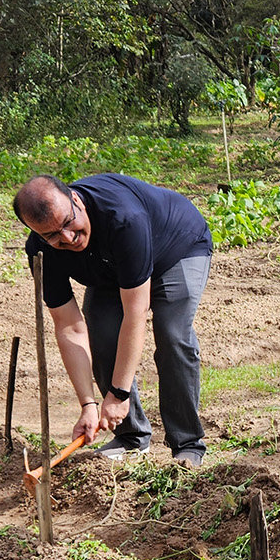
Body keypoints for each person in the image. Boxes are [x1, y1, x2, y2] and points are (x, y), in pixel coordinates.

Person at [15, 173, 213, 466]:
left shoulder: (123, 217)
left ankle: (187, 444)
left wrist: (118, 393)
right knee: (103, 329)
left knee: (172, 334)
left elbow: (136, 313)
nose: (68, 238)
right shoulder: (41, 251)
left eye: (69, 223)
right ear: (36, 233)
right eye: (52, 235)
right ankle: (131, 436)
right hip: (112, 266)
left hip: (177, 247)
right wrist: (88, 404)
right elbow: (69, 327)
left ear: (76, 200)